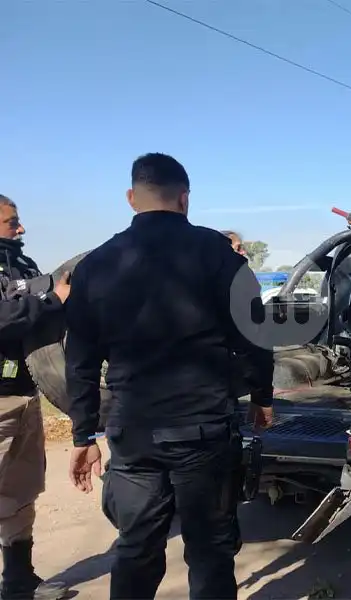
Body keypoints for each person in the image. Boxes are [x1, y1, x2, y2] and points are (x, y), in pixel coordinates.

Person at [64, 153, 275, 599]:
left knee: (137, 547)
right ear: (184, 199)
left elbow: (79, 361)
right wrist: (262, 395)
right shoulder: (216, 253)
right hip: (201, 429)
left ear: (130, 198)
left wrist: (83, 436)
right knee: (211, 550)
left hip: (133, 432)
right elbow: (255, 332)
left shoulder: (95, 265)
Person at [0, 195, 69, 600]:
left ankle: (19, 581)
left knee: (21, 491)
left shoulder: (22, 266)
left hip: (25, 395)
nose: (21, 229)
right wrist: (49, 300)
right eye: (13, 222)